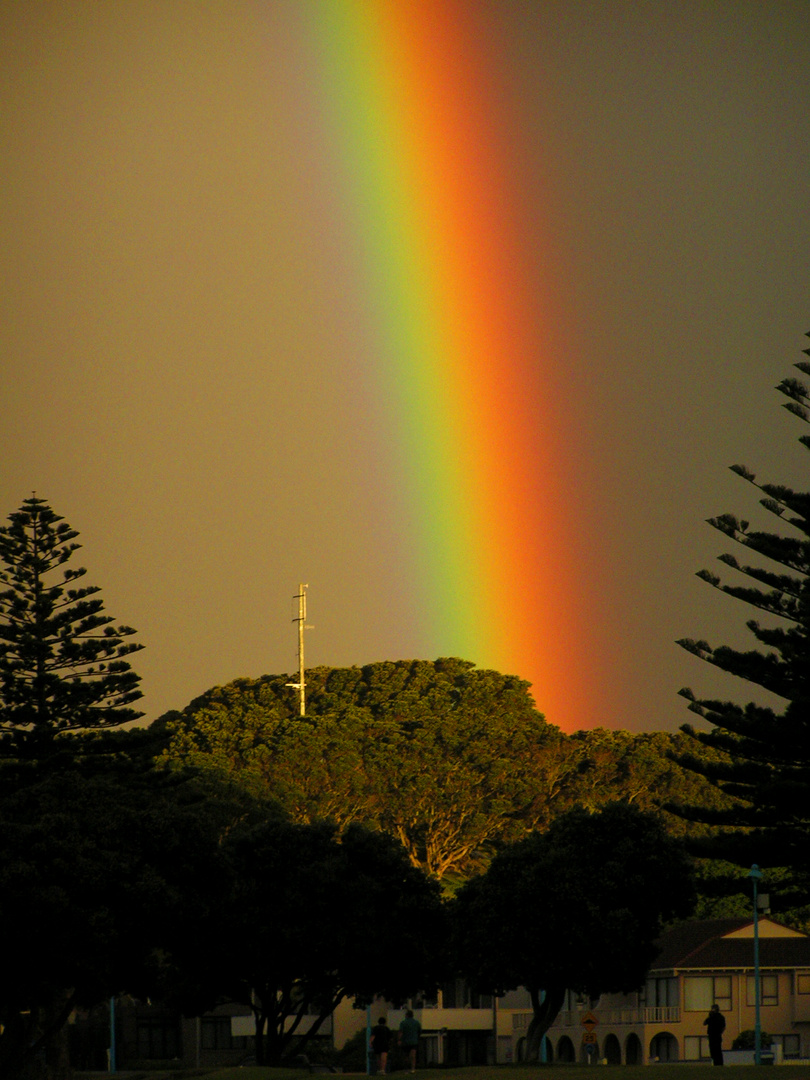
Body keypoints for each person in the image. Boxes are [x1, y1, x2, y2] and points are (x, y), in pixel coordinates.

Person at [398, 1009, 422, 1073]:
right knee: (413, 1055)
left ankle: (406, 1069)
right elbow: (419, 1031)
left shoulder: (403, 1023)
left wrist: (399, 1040)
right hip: (414, 1041)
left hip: (405, 1041)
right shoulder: (416, 1022)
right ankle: (413, 1069)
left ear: (406, 1015)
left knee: (406, 1056)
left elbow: (401, 1032)